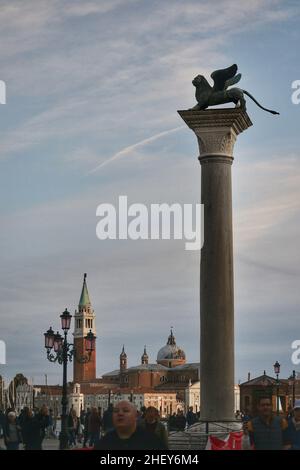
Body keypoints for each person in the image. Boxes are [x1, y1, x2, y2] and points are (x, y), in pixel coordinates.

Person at [95, 401, 168, 450]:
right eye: (116, 411)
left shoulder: (152, 441)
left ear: (136, 416)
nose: (120, 413)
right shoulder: (104, 442)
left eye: (125, 411)